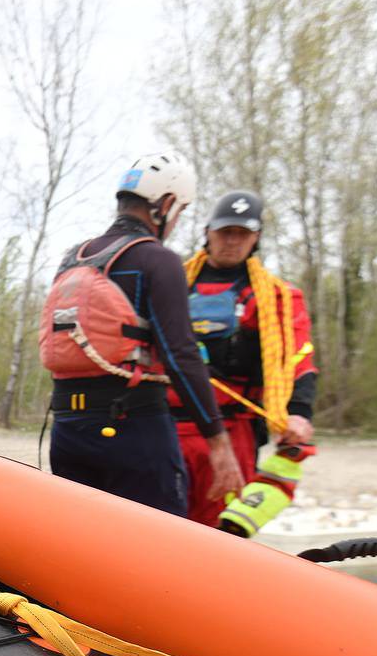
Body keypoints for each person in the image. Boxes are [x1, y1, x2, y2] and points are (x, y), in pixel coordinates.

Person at [38, 152, 241, 515]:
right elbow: (181, 354)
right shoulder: (157, 259)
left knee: (81, 543)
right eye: (179, 212)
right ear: (164, 205)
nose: (176, 221)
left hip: (67, 431)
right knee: (162, 548)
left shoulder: (72, 258)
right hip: (134, 434)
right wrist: (218, 442)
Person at [180, 190, 319, 534]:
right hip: (164, 426)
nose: (232, 241)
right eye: (225, 231)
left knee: (214, 531)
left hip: (232, 429)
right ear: (208, 231)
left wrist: (299, 412)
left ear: (255, 238)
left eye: (242, 234)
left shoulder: (277, 297)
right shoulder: (171, 285)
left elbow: (297, 356)